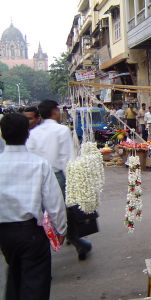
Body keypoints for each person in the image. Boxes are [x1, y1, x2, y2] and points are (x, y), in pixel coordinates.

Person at [0, 113, 67, 300]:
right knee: (36, 281)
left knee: (15, 272)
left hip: (5, 234)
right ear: (27, 133)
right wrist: (61, 229)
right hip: (30, 232)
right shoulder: (39, 164)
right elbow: (54, 202)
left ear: (3, 134)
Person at [27, 100, 92, 260]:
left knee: (41, 212)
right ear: (55, 111)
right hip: (57, 175)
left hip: (37, 176)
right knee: (66, 210)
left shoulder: (33, 133)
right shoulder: (61, 130)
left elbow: (30, 156)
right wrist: (74, 183)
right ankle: (76, 241)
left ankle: (46, 244)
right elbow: (67, 159)